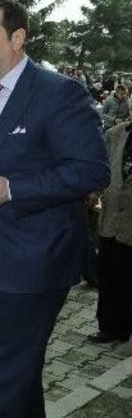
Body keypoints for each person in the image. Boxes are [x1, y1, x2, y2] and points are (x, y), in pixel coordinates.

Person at [0, 0, 109, 418]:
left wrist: (14, 190)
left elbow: (92, 170)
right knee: (18, 369)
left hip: (35, 258)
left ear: (18, 38)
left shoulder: (59, 92)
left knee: (8, 372)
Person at [93, 119, 132, 343]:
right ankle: (108, 327)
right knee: (109, 274)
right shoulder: (115, 133)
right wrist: (93, 192)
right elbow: (101, 168)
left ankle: (125, 325)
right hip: (111, 219)